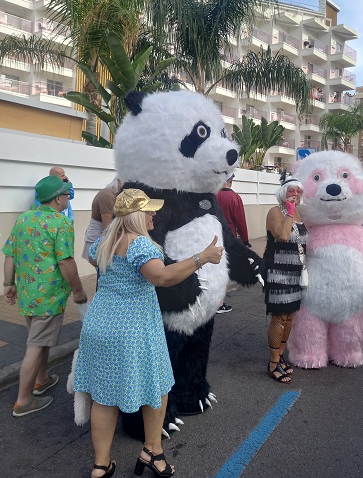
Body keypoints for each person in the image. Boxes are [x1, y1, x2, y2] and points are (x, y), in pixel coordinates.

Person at [73, 188, 223, 478]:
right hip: (134, 329)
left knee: (104, 398)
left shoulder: (105, 241)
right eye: (148, 209)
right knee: (157, 387)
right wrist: (202, 257)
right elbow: (162, 277)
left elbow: (95, 260)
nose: (154, 213)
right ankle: (153, 452)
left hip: (100, 325)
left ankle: (101, 465)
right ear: (135, 215)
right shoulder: (140, 244)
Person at [2, 175, 87, 417]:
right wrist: (78, 290)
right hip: (49, 298)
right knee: (36, 344)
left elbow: (10, 254)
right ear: (58, 198)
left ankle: (42, 379)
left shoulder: (24, 218)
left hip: (27, 295)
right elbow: (66, 262)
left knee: (38, 340)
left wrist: (8, 284)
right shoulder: (61, 223)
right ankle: (23, 400)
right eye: (66, 194)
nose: (68, 198)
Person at [263, 178, 307, 383]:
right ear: (283, 192)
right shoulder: (275, 211)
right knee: (279, 317)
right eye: (291, 190)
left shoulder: (298, 214)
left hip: (295, 272)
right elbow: (282, 235)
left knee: (289, 316)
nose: (295, 194)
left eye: (299, 191)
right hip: (278, 272)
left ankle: (280, 357)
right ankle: (273, 364)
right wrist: (289, 211)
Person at [216, 172, 250, 311]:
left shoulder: (214, 195)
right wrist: (245, 240)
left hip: (212, 236)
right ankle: (220, 303)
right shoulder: (235, 198)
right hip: (229, 238)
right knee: (225, 270)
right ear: (231, 181)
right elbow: (241, 221)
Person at [82, 177, 122, 261]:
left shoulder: (112, 194)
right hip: (98, 238)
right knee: (102, 266)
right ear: (119, 183)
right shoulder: (107, 196)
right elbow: (107, 226)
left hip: (102, 237)